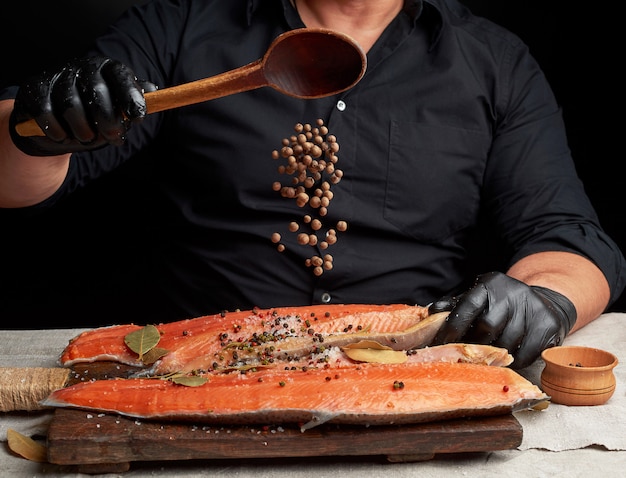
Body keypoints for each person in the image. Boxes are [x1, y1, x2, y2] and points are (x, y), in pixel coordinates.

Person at [0, 0, 623, 369]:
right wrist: (39, 127)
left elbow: (567, 234)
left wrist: (547, 300)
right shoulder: (181, 28)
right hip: (195, 362)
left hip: (409, 367)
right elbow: (18, 183)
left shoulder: (492, 60)